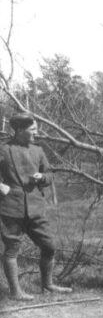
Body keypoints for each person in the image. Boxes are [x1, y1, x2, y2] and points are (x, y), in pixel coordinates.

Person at [0, 112, 71, 300]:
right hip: (11, 207)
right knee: (12, 248)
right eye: (32, 129)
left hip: (35, 207)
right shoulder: (4, 149)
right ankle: (16, 292)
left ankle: (47, 284)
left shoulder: (38, 150)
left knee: (50, 245)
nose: (36, 133)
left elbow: (49, 175)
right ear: (20, 130)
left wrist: (43, 177)